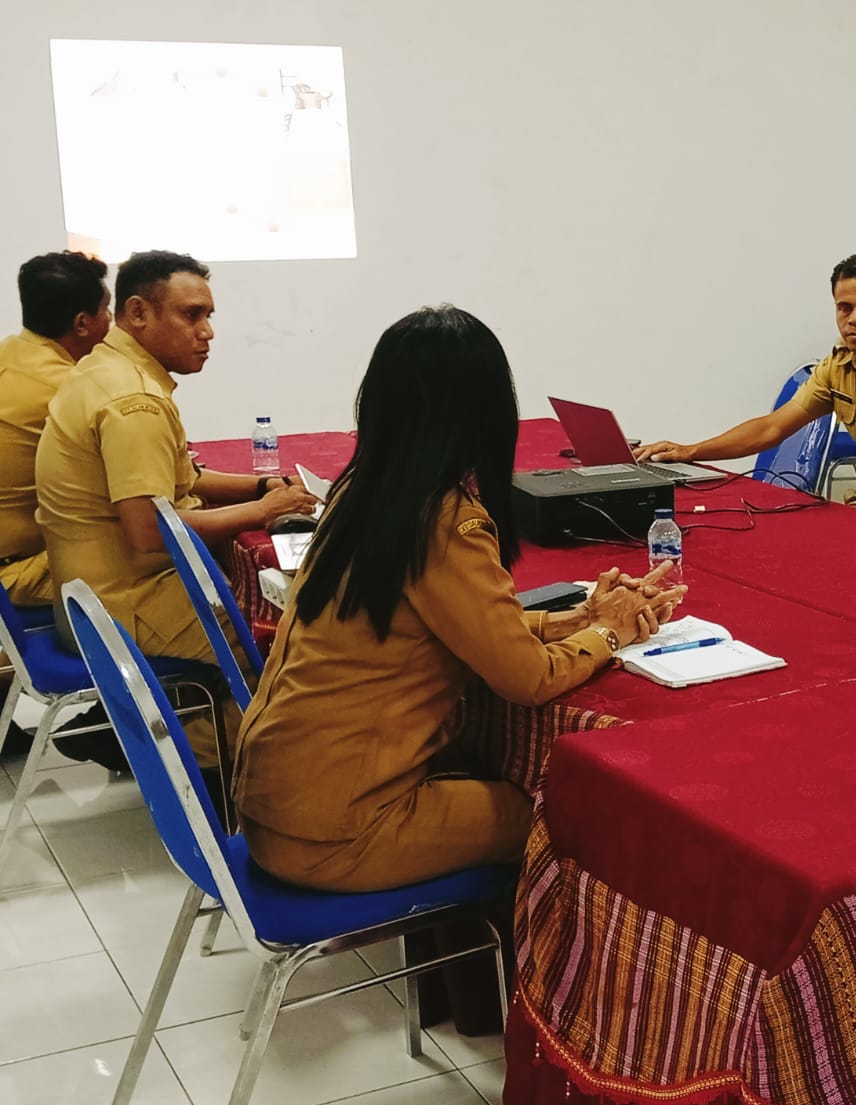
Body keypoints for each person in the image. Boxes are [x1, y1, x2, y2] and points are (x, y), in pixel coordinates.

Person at [232, 306, 685, 892]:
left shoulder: (362, 493)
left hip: (279, 809)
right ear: (486, 414)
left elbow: (453, 627)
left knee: (492, 769)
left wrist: (581, 616)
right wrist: (611, 634)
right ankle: (523, 981)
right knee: (578, 815)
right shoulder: (444, 519)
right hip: (342, 832)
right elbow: (526, 678)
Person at [36, 250, 317, 665]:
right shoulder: (134, 402)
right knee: (296, 649)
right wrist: (262, 510)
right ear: (137, 313)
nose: (207, 332)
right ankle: (218, 728)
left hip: (90, 595)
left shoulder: (105, 370)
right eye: (192, 315)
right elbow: (149, 530)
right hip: (124, 605)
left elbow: (183, 477)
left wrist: (261, 486)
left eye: (209, 316)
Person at [634, 252, 856, 526]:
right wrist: (690, 451)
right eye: (844, 308)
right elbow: (772, 428)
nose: (854, 318)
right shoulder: (839, 365)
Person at [0, 252, 112, 606]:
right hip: (22, 570)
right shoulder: (67, 387)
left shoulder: (11, 352)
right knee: (167, 553)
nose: (113, 322)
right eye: (107, 310)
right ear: (82, 323)